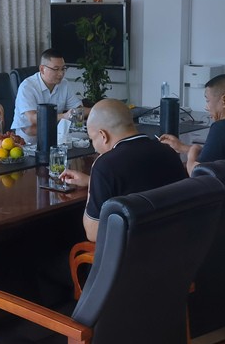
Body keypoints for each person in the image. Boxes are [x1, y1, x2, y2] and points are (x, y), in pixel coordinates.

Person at [60, 99, 187, 242]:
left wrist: (93, 183)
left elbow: (93, 233)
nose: (94, 147)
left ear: (103, 135)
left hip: (134, 251)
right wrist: (92, 181)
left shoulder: (105, 165)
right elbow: (141, 182)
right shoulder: (168, 152)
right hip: (176, 244)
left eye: (92, 139)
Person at [12, 48, 83, 135]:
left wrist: (94, 110)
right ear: (42, 69)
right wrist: (64, 116)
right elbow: (32, 118)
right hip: (28, 139)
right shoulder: (27, 86)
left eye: (63, 69)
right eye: (56, 69)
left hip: (57, 135)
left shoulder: (64, 84)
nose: (61, 73)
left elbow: (78, 109)